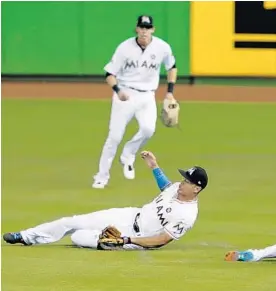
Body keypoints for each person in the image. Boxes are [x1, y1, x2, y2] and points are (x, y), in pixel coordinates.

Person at [3, 151, 208, 251]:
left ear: (196, 189)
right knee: (74, 221)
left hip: (136, 237)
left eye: (187, 181)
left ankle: (104, 243)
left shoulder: (187, 216)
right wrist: (154, 166)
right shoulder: (176, 189)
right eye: (183, 178)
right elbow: (165, 186)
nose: (182, 182)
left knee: (78, 238)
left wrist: (126, 240)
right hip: (128, 214)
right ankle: (25, 236)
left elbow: (162, 240)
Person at [92, 15, 178, 188]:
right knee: (114, 137)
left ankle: (128, 155)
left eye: (148, 28)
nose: (145, 31)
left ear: (153, 29)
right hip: (125, 94)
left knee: (148, 129)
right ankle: (101, 176)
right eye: (142, 28)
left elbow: (172, 67)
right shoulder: (124, 48)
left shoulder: (162, 47)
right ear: (137, 29)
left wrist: (169, 93)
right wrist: (118, 91)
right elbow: (109, 74)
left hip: (147, 95)